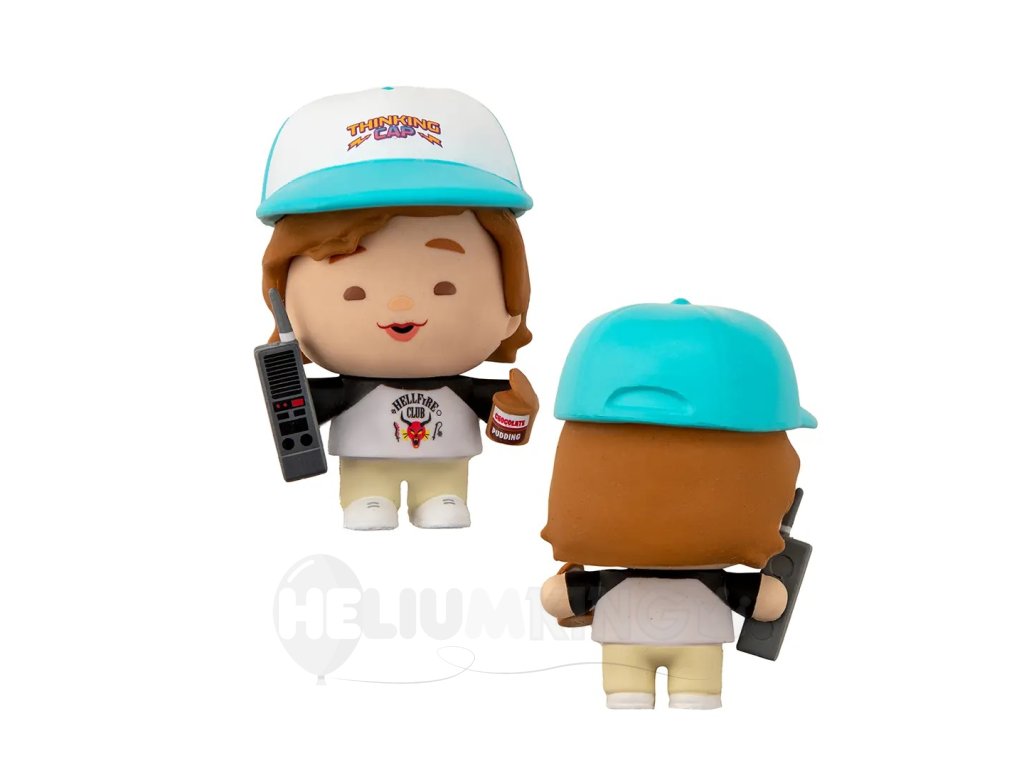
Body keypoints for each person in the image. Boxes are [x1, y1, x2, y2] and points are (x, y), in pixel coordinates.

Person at [257, 87, 538, 530]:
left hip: (446, 464)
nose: (401, 305)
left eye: (444, 287)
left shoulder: (465, 380)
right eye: (354, 292)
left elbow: (505, 424)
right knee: (369, 500)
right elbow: (304, 409)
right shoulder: (342, 382)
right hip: (365, 462)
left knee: (446, 502)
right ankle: (368, 496)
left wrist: (514, 410)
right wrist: (290, 398)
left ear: (512, 303)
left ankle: (440, 496)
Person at [540, 299, 816, 708]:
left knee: (660, 701)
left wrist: (567, 593)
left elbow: (558, 597)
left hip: (660, 641)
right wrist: (764, 596)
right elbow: (767, 604)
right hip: (659, 640)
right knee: (660, 701)